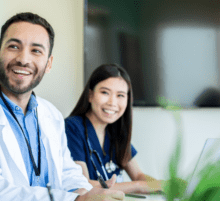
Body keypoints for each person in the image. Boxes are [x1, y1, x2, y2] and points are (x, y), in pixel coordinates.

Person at [0, 12, 125, 201]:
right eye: (14, 46)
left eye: (36, 51)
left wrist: (85, 194)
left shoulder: (51, 114)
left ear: (48, 63)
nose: (23, 59)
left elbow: (66, 172)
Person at [65, 64, 162, 194]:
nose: (112, 102)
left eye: (120, 95)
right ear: (90, 95)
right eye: (105, 92)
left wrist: (163, 187)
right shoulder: (72, 127)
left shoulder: (115, 132)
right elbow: (83, 183)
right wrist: (138, 186)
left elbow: (138, 176)